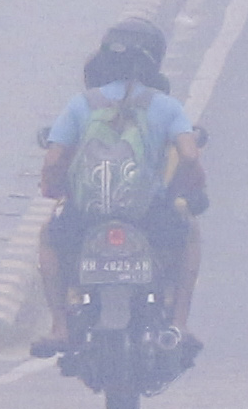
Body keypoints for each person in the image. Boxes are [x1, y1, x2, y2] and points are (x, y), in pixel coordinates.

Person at [31, 18, 205, 357]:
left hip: (86, 215)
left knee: (49, 238)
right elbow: (188, 154)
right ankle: (179, 324)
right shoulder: (166, 107)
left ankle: (60, 326)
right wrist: (190, 191)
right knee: (190, 235)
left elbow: (53, 162)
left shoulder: (81, 104)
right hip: (148, 214)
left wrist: (55, 190)